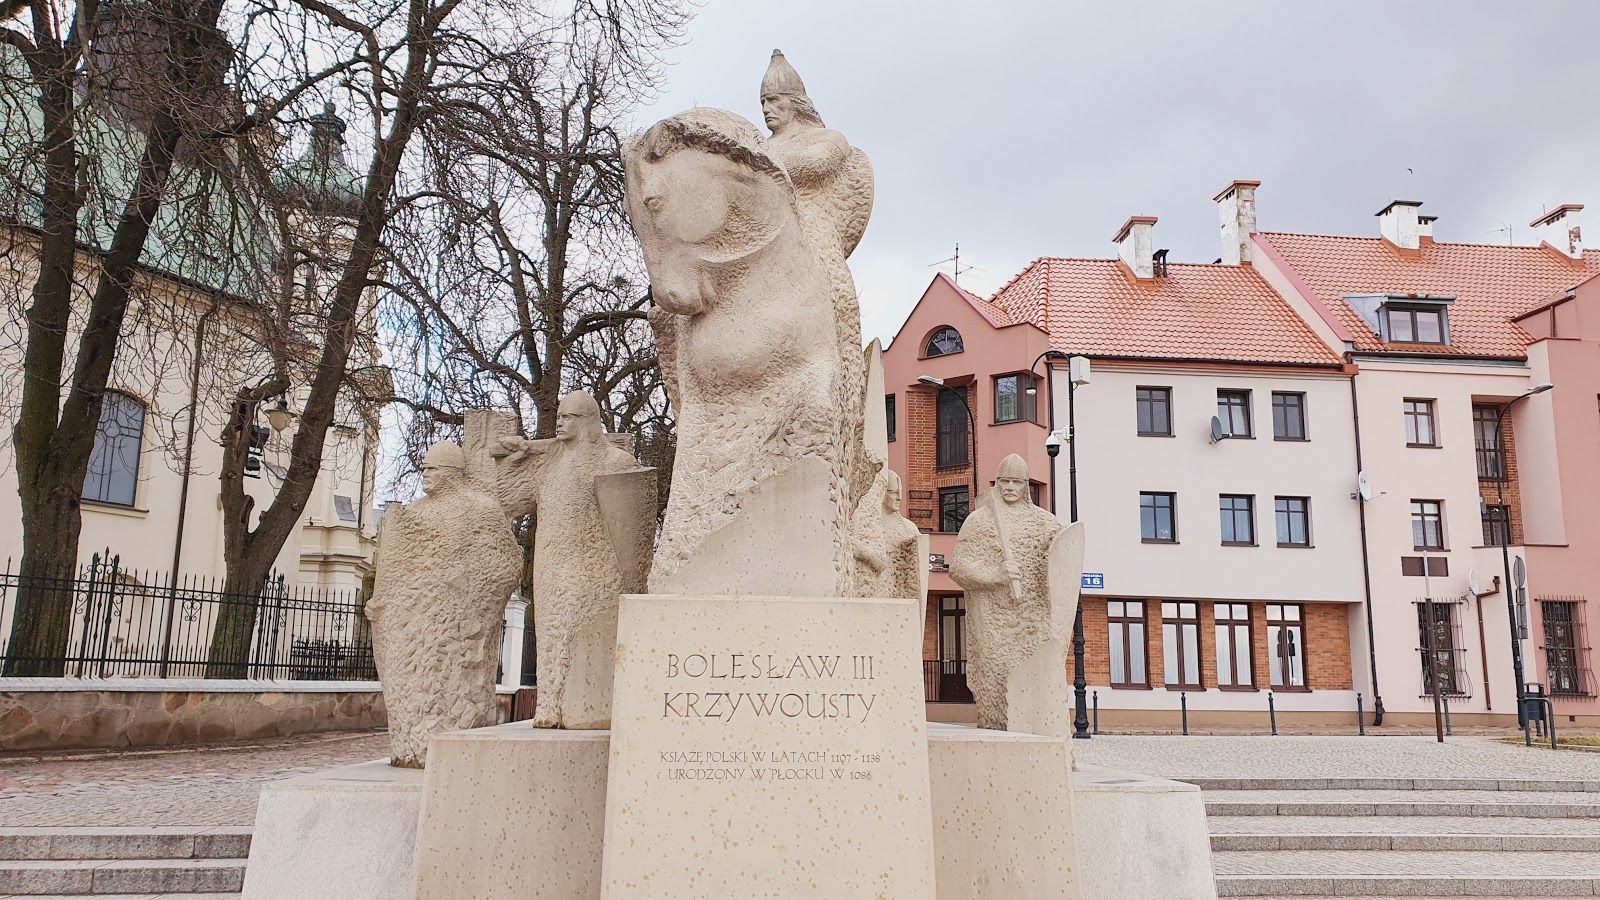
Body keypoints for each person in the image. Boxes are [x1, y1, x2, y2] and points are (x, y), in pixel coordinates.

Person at [492, 392, 643, 727]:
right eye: (558, 416)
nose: (559, 421)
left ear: (587, 420)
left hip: (593, 567)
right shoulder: (549, 466)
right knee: (550, 636)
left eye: (568, 417)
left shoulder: (615, 463)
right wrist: (515, 462)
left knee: (584, 637)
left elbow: (629, 527)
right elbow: (507, 503)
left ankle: (588, 706)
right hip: (551, 565)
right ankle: (549, 706)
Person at [367, 441, 521, 767]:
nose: (425, 474)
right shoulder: (414, 512)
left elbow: (505, 565)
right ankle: (413, 745)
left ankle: (444, 741)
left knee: (451, 694)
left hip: (456, 624)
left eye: (432, 468)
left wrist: (471, 600)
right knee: (416, 692)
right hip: (415, 624)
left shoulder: (481, 509)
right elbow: (398, 568)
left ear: (452, 472)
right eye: (423, 468)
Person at [950, 454, 1068, 731]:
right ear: (997, 483)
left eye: (1016, 482)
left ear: (1026, 485)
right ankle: (997, 724)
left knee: (1033, 680)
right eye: (1005, 481)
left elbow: (1062, 562)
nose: (1010, 488)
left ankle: (1039, 726)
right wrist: (995, 576)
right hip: (994, 622)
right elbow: (958, 569)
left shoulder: (1045, 523)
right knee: (998, 684)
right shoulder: (979, 521)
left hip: (1032, 619)